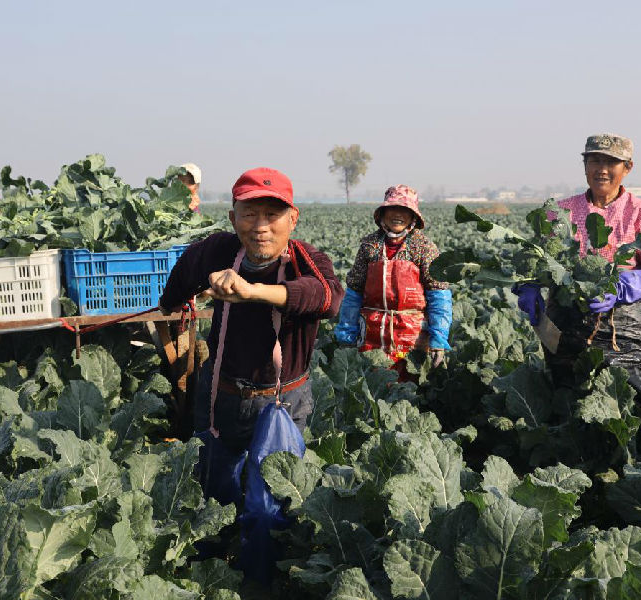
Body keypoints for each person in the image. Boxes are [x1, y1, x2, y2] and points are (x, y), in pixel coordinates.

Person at [159, 167, 343, 583]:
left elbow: (326, 299)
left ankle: (262, 583)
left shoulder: (305, 261)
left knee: (267, 507)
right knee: (214, 493)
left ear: (292, 219)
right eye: (249, 214)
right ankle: (210, 576)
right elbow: (179, 282)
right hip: (220, 396)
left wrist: (252, 292)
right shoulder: (217, 251)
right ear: (232, 217)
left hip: (282, 402)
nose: (261, 227)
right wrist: (183, 297)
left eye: (272, 215)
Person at [513, 133, 641, 411]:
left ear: (627, 168)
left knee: (632, 407)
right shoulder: (558, 212)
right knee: (565, 406)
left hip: (622, 332)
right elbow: (535, 260)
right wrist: (528, 286)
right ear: (585, 165)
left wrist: (625, 286)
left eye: (611, 162)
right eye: (594, 160)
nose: (601, 169)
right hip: (563, 331)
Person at [334, 185, 453, 373]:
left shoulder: (424, 248)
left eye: (404, 210)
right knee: (373, 385)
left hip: (413, 338)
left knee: (409, 387)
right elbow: (354, 293)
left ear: (413, 216)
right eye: (393, 208)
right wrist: (347, 334)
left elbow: (439, 295)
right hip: (372, 335)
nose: (398, 214)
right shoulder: (369, 246)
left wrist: (439, 339)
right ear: (382, 214)